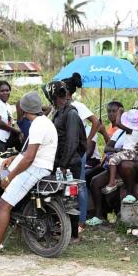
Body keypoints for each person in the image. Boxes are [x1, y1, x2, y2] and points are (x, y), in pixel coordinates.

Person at [0, 92, 58, 264]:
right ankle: (2, 212)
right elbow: (28, 153)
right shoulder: (43, 122)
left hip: (35, 168)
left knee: (4, 205)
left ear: (24, 110)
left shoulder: (38, 125)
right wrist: (13, 159)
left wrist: (10, 177)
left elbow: (29, 158)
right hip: (34, 165)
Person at [44, 81, 86, 242]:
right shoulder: (59, 112)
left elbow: (73, 142)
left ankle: (73, 235)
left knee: (70, 200)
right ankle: (63, 230)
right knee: (61, 198)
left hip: (68, 164)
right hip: (61, 162)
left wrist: (63, 164)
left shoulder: (71, 114)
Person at [62, 73, 100, 231]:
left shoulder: (78, 107)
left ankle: (81, 222)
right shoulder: (61, 107)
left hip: (78, 151)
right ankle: (67, 220)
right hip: (65, 151)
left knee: (80, 184)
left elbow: (96, 122)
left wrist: (87, 140)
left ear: (66, 91)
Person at [102, 108, 138, 197]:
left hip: (129, 153)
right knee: (111, 158)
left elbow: (118, 123)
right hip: (130, 152)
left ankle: (112, 183)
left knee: (113, 160)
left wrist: (120, 112)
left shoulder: (132, 130)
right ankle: (117, 178)